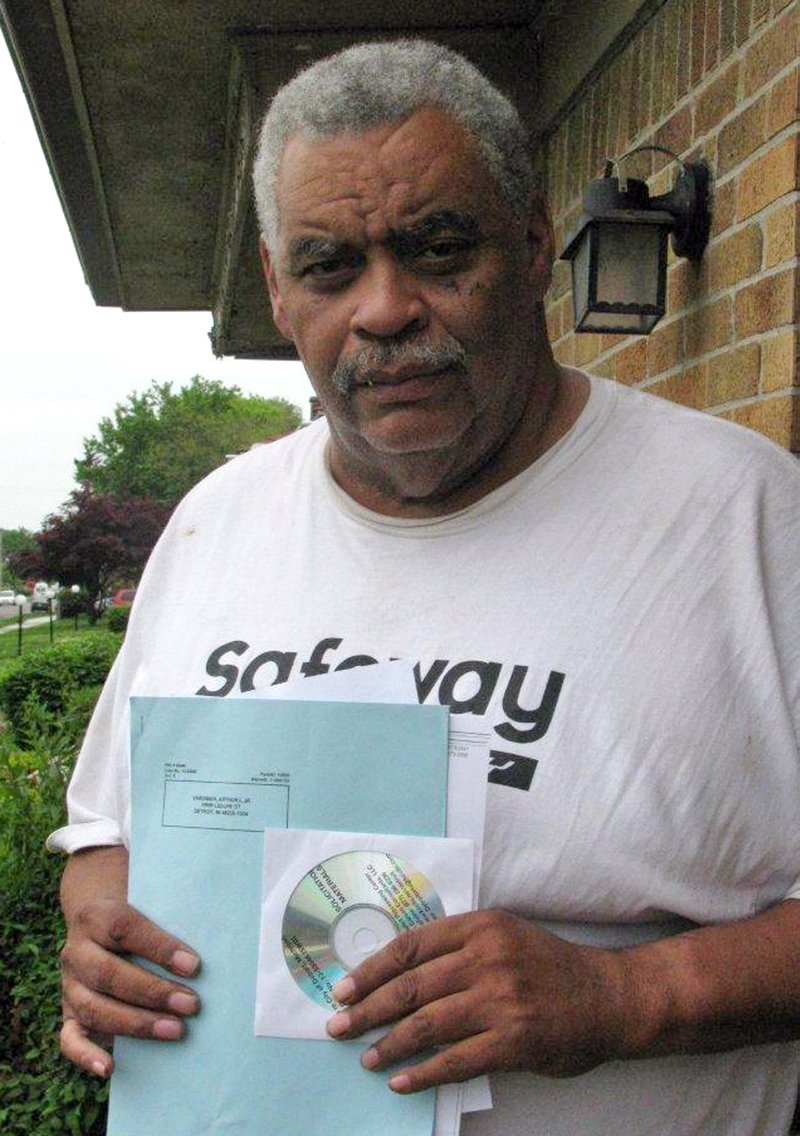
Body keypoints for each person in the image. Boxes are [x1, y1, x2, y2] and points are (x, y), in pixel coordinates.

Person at [50, 39, 800, 1135]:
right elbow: (105, 829)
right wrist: (102, 934)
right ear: (274, 286)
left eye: (437, 248)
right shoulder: (218, 522)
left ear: (536, 241)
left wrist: (628, 995)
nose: (384, 309)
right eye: (328, 267)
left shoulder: (744, 517)